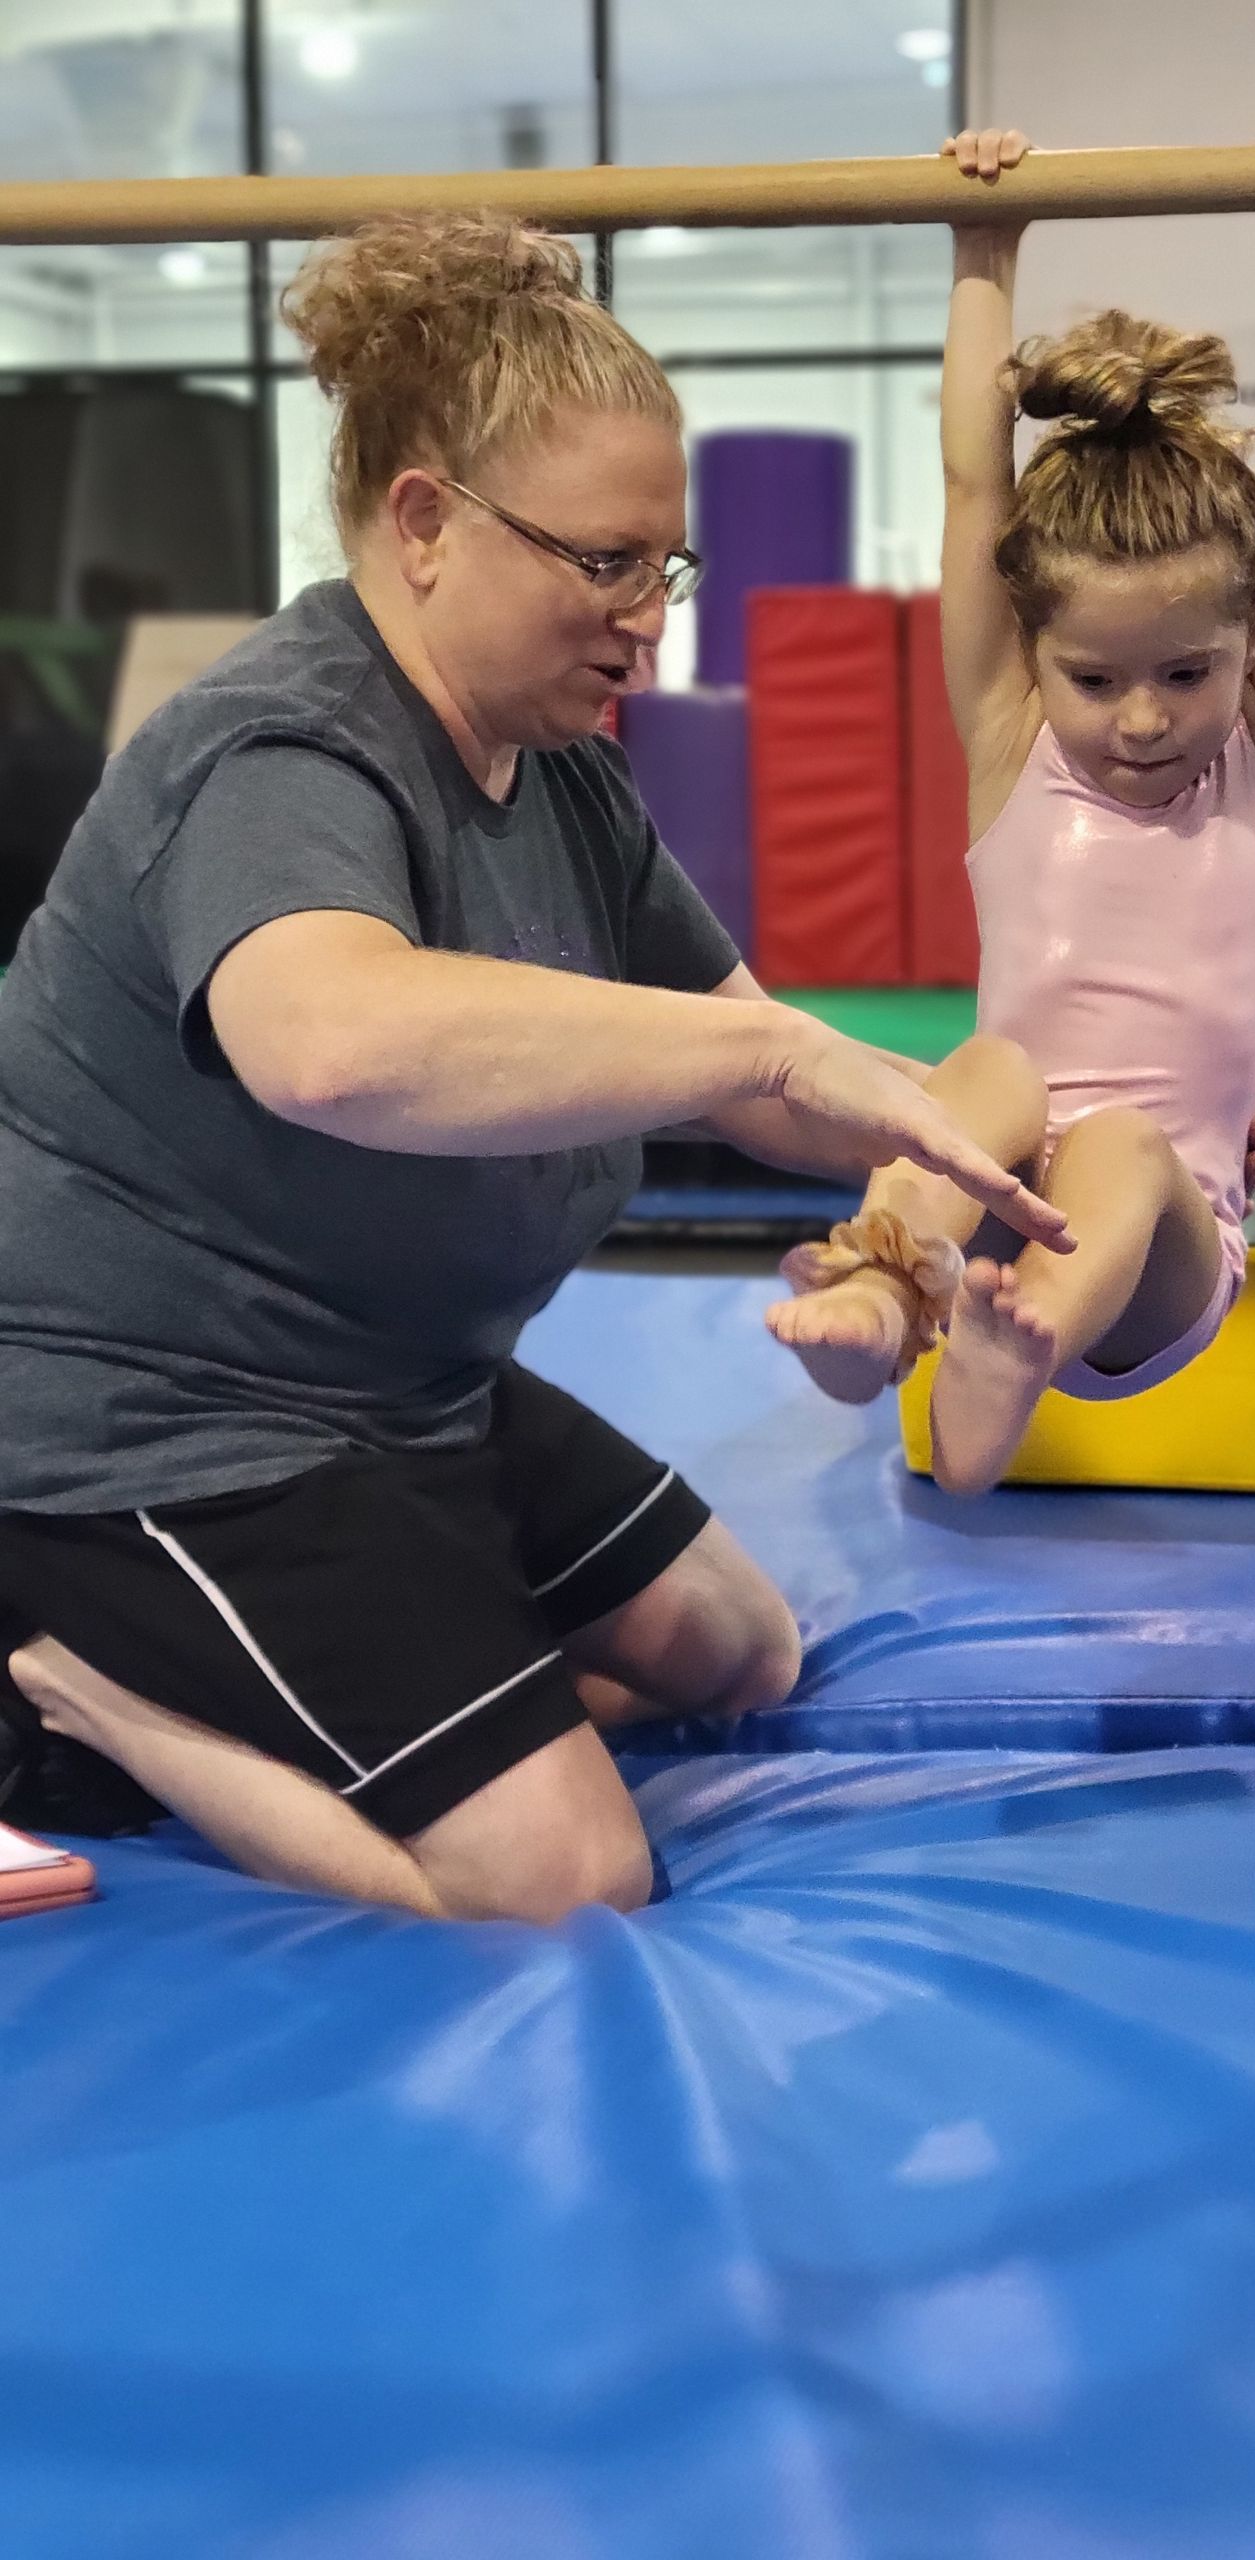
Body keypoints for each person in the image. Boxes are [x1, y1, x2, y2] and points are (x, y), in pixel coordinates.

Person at [0, 212, 1068, 1924]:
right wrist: (776, 1038)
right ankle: (89, 1701)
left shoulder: (561, 773)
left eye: (669, 568)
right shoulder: (281, 749)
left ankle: (382, 1714)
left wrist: (960, 1159)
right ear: (424, 524)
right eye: (606, 564)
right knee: (564, 1879)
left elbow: (763, 1082)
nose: (649, 621)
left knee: (742, 1650)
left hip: (395, 1389)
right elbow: (334, 1039)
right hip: (157, 1431)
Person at [767, 113, 1255, 1494]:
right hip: (990, 1199)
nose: (1144, 716)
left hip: (1159, 1259)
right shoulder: (1013, 750)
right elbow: (977, 477)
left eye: (1187, 673)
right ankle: (886, 1296)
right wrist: (985, 238)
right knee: (985, 1078)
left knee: (1120, 1146)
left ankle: (1019, 1346)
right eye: (1094, 677)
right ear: (1031, 658)